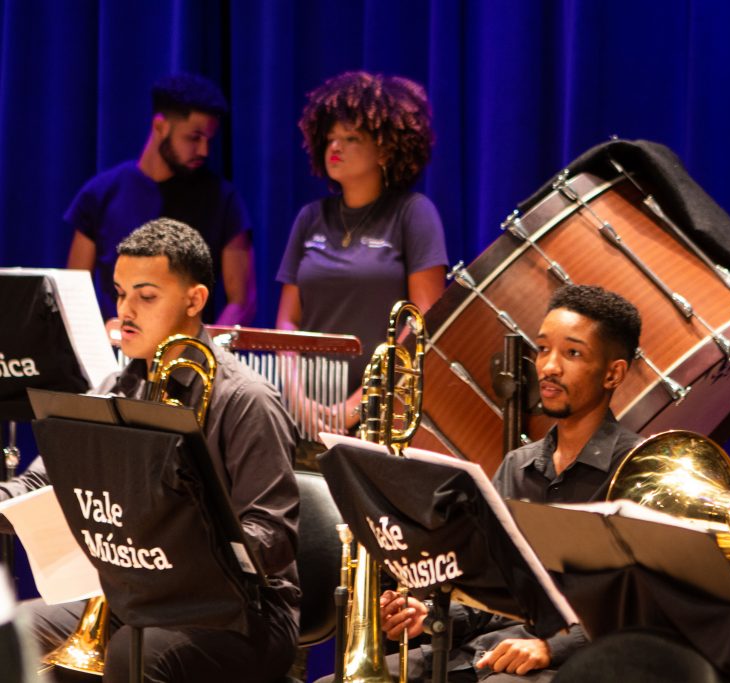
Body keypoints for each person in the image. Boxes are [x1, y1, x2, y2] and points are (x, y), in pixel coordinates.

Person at [1, 219, 299, 682]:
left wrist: (189, 537)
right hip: (137, 598)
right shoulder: (114, 387)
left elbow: (274, 535)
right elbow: (44, 480)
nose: (125, 311)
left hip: (239, 614)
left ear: (194, 300)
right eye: (120, 293)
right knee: (15, 633)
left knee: (135, 654)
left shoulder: (245, 399)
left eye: (146, 296)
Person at [378, 284, 643, 682]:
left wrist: (551, 647)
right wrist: (431, 616)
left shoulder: (640, 470)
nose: (549, 367)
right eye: (542, 349)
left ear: (613, 373)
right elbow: (488, 592)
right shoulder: (518, 465)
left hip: (571, 666)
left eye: (572, 353)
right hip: (480, 654)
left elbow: (644, 609)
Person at [276, 71, 447, 429]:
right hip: (306, 408)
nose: (334, 147)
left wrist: (358, 404)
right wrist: (294, 396)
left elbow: (423, 323)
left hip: (382, 407)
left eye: (350, 138)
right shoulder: (310, 217)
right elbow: (288, 321)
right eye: (330, 138)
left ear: (384, 148)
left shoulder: (413, 213)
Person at [65, 73, 256, 328]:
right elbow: (74, 292)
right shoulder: (100, 194)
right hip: (114, 354)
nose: (204, 151)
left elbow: (242, 302)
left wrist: (204, 350)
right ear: (160, 127)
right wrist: (102, 336)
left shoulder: (223, 199)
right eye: (193, 137)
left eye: (209, 140)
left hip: (190, 358)